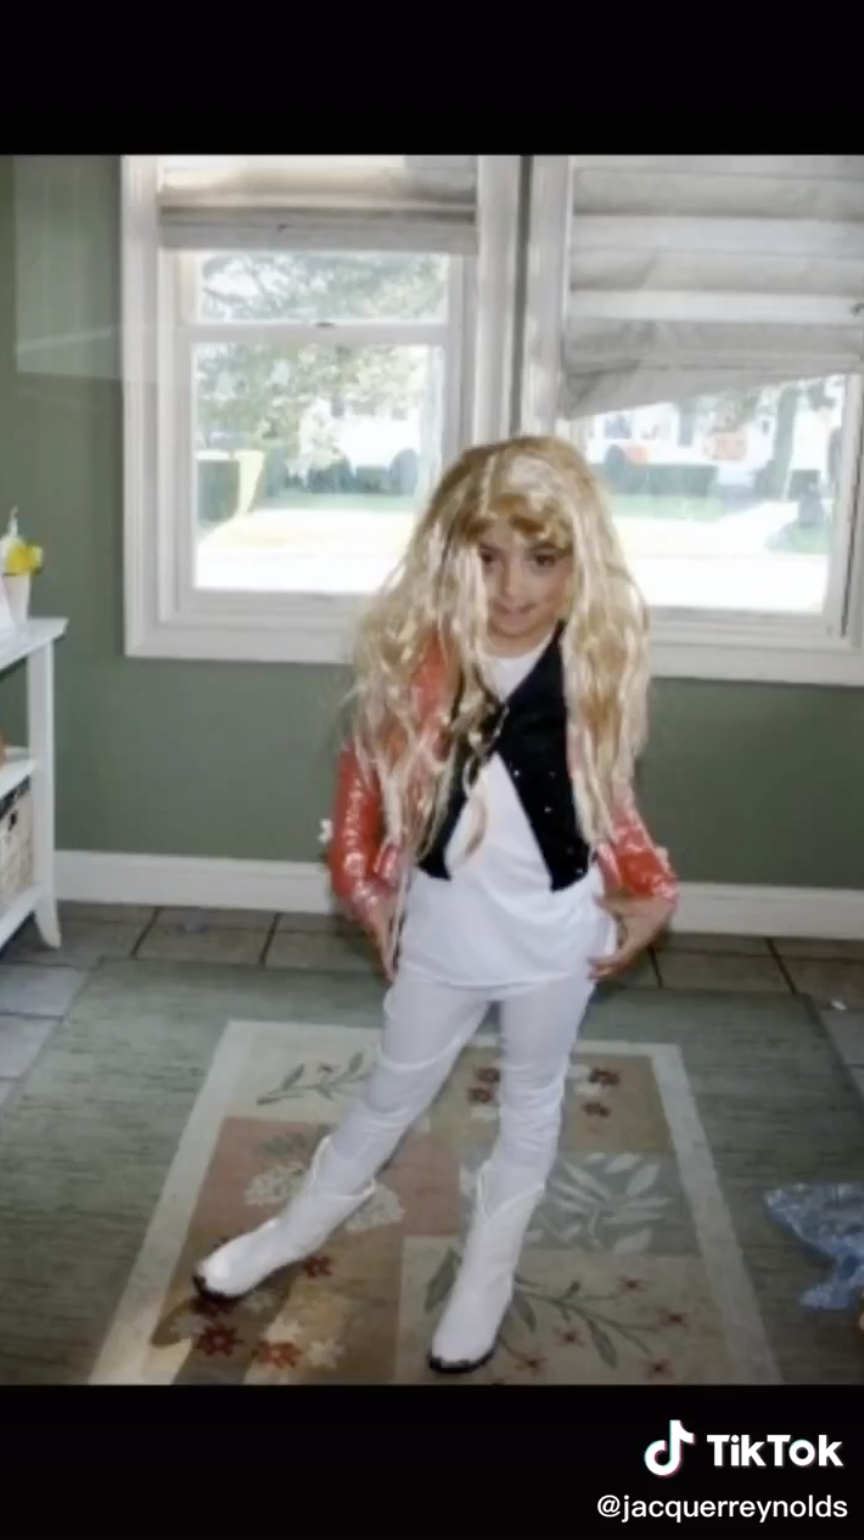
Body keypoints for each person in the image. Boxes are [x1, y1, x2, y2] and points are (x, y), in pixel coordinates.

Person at [194, 435, 678, 1374]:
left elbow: (612, 806)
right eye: (485, 557)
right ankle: (292, 1232)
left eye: (543, 560)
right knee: (388, 1094)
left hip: (555, 934)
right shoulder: (414, 665)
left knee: (533, 1099)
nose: (512, 589)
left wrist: (655, 890)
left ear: (580, 561)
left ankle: (489, 1268)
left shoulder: (594, 670)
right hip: (444, 931)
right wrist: (366, 889)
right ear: (449, 555)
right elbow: (356, 804)